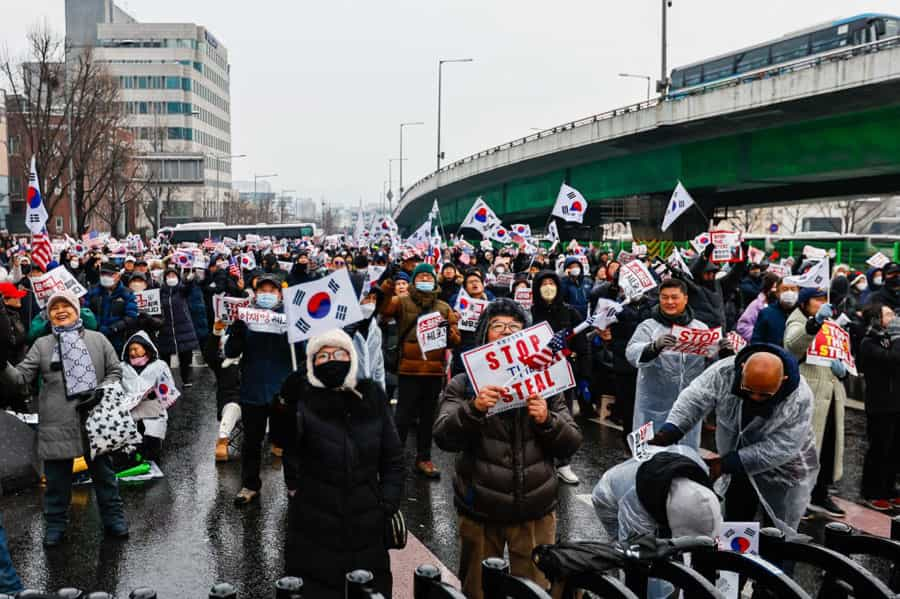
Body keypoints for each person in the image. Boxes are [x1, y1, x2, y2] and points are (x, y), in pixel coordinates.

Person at [433, 298, 582, 599]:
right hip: (480, 508)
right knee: (477, 589)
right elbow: (444, 437)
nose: (505, 332)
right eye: (497, 326)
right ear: (484, 335)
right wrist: (473, 409)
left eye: (514, 327)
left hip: (535, 509)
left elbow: (572, 441)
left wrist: (547, 420)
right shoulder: (464, 385)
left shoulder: (546, 383)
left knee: (534, 590)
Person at [281, 328, 404, 598]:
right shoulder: (302, 399)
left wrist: (387, 502)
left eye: (340, 353)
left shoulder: (372, 396)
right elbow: (286, 445)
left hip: (368, 523)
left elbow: (393, 458)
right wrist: (286, 400)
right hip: (314, 524)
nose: (332, 359)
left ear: (352, 358)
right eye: (322, 356)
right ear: (312, 364)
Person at [0, 290, 128, 546]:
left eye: (65, 306)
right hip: (56, 423)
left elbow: (115, 370)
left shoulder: (98, 339)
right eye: (54, 308)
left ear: (76, 310)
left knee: (104, 476)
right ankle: (56, 526)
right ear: (49, 316)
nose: (60, 311)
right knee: (57, 483)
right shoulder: (43, 345)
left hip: (95, 420)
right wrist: (2, 365)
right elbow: (21, 378)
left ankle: (114, 519)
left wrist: (102, 391)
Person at [651, 345, 819, 532]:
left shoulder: (799, 397)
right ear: (742, 369)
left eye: (764, 395)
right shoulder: (724, 372)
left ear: (783, 380)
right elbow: (695, 398)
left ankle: (774, 560)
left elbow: (784, 445)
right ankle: (737, 558)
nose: (755, 398)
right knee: (738, 523)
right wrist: (671, 430)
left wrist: (728, 463)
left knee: (778, 530)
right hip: (736, 464)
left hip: (784, 469)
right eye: (748, 390)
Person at [591, 445, 723, 599]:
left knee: (675, 550)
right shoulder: (634, 504)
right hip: (609, 497)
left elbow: (706, 543)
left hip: (657, 482)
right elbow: (636, 560)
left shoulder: (699, 471)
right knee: (637, 560)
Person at [377, 262, 460, 479]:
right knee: (402, 418)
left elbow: (455, 340)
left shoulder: (443, 307)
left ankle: (424, 458)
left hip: (433, 373)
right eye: (420, 277)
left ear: (434, 280)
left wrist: (448, 333)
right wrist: (387, 284)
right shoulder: (402, 302)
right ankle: (394, 459)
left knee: (426, 419)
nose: (424, 281)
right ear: (414, 281)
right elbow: (383, 308)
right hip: (408, 371)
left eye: (428, 277)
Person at [626, 278, 720, 448]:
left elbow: (712, 363)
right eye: (664, 297)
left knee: (684, 456)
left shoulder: (701, 328)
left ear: (685, 298)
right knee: (649, 455)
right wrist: (653, 347)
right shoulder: (648, 326)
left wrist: (722, 350)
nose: (669, 302)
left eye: (674, 297)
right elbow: (632, 353)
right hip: (653, 406)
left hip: (688, 406)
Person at [225, 274, 294, 504]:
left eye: (271, 290)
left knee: (288, 441)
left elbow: (303, 352)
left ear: (280, 294)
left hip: (282, 390)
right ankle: (250, 485)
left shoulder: (290, 317)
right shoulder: (246, 319)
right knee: (252, 442)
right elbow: (231, 352)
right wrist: (236, 328)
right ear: (255, 294)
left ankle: (294, 485)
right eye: (262, 290)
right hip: (253, 390)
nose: (266, 294)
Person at [783, 288, 846, 518]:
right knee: (805, 448)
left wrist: (844, 371)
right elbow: (792, 345)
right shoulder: (797, 321)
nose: (821, 304)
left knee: (828, 445)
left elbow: (842, 354)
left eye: (823, 299)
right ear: (805, 303)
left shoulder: (832, 323)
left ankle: (820, 493)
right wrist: (814, 323)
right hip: (809, 392)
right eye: (816, 300)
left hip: (831, 392)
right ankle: (799, 496)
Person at [530, 270, 591, 484]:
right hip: (535, 376)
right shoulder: (529, 313)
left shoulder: (570, 313)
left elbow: (582, 346)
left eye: (551, 283)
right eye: (543, 283)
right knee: (536, 417)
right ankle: (538, 461)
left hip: (563, 377)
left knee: (562, 419)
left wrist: (584, 377)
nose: (548, 286)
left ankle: (564, 463)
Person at [857, 303, 900, 510]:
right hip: (880, 404)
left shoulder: (891, 339)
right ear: (877, 319)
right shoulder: (869, 342)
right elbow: (891, 359)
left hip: (896, 403)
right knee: (879, 449)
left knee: (895, 449)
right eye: (888, 314)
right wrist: (898, 339)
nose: (893, 318)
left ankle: (889, 489)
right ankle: (871, 492)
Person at [119, 331, 177, 462]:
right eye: (130, 350)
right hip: (130, 410)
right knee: (132, 443)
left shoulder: (159, 365)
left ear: (146, 348)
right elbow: (118, 387)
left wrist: (155, 393)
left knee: (152, 440)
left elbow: (168, 386)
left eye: (136, 349)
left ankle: (152, 462)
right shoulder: (122, 367)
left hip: (152, 407)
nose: (132, 352)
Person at [157, 268, 200, 388]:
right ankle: (166, 382)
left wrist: (190, 280)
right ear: (165, 279)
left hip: (183, 327)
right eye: (168, 275)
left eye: (173, 275)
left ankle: (186, 379)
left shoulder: (181, 290)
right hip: (165, 328)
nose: (171, 277)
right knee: (165, 357)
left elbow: (188, 288)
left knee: (185, 355)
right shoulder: (160, 292)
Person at [84, 262, 138, 355]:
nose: (105, 277)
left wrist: (114, 328)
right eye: (103, 274)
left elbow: (131, 316)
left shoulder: (127, 294)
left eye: (110, 274)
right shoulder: (93, 291)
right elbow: (86, 310)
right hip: (95, 338)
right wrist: (95, 325)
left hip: (117, 341)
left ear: (118, 276)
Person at [750, 278, 799, 346]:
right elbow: (756, 342)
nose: (789, 292)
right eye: (785, 289)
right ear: (777, 293)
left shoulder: (802, 314)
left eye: (793, 289)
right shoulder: (766, 313)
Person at [735, 272, 780, 342]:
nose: (776, 291)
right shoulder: (756, 305)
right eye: (774, 288)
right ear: (767, 289)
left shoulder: (781, 306)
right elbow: (742, 326)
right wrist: (759, 337)